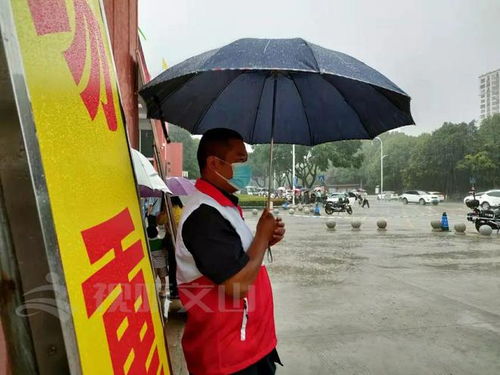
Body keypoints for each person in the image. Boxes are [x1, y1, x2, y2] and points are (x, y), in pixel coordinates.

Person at [176, 128, 285, 375]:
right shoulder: (203, 216)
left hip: (252, 346)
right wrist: (260, 236)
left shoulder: (222, 207)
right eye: (240, 161)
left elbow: (237, 259)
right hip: (227, 358)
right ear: (214, 163)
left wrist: (265, 240)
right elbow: (237, 285)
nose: (246, 169)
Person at [146, 211, 168, 297]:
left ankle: (152, 291)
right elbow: (165, 250)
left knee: (153, 279)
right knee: (162, 278)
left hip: (153, 265)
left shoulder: (147, 243)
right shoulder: (160, 241)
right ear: (157, 232)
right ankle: (163, 291)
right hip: (162, 264)